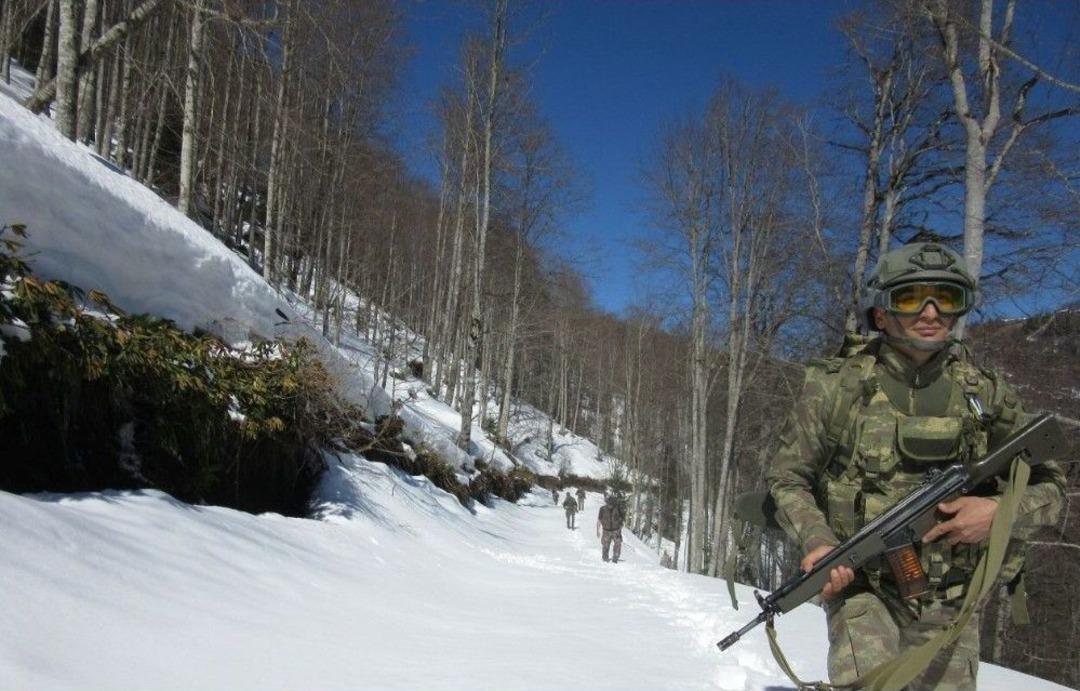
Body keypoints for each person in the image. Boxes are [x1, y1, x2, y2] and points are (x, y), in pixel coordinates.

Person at [767, 242, 1066, 690]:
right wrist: (819, 540)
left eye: (946, 299)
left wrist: (997, 514)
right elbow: (787, 478)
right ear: (882, 314)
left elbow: (1053, 484)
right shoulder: (834, 389)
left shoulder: (985, 394)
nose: (930, 313)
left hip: (952, 597)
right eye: (911, 299)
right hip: (863, 586)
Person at [597, 494, 625, 562]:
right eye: (609, 503)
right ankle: (605, 557)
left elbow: (622, 519)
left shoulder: (618, 508)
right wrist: (597, 530)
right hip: (606, 530)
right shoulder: (602, 509)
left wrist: (620, 527)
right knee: (605, 545)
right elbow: (599, 520)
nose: (610, 505)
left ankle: (616, 557)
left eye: (612, 503)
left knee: (617, 544)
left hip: (616, 530)